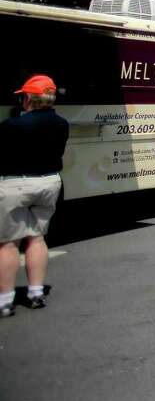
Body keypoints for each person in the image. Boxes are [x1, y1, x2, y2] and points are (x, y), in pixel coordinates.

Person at [0, 75, 69, 317]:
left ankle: (5, 300)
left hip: (15, 184)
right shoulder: (62, 124)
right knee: (37, 238)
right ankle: (36, 293)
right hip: (49, 182)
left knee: (9, 242)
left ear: (28, 98)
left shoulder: (11, 126)